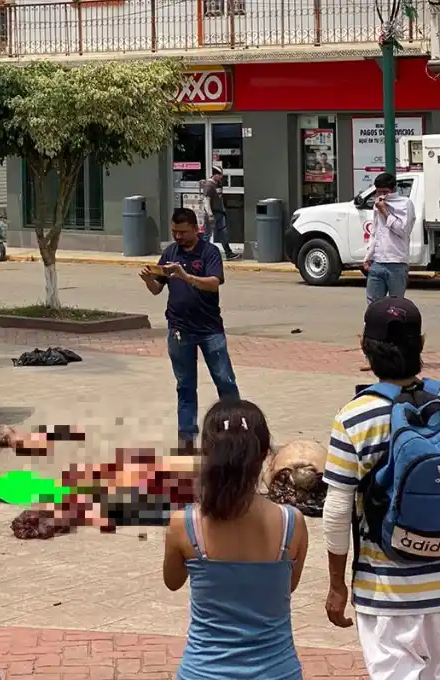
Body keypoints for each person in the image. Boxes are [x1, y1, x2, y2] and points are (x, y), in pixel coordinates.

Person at [323, 297, 440, 679]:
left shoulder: (353, 417)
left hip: (387, 590)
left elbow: (336, 512)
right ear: (422, 345)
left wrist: (336, 586)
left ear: (364, 346)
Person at [164, 399, 308, 680]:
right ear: (266, 453)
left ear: (206, 452)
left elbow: (172, 582)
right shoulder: (292, 523)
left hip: (203, 672)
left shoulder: (185, 524)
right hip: (277, 672)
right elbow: (285, 588)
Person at [140, 207, 240, 450]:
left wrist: (187, 277)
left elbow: (214, 284)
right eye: (174, 232)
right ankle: (186, 438)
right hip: (179, 330)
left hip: (209, 330)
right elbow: (157, 289)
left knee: (224, 381)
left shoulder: (209, 252)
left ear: (196, 229)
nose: (178, 237)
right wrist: (148, 279)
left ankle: (237, 431)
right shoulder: (170, 252)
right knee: (185, 386)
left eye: (183, 232)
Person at [362, 172, 416, 305]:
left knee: (395, 305)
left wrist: (385, 212)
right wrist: (368, 257)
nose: (381, 195)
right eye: (378, 192)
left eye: (385, 192)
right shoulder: (378, 204)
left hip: (396, 263)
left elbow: (403, 231)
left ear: (393, 190)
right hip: (377, 262)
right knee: (373, 304)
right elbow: (375, 233)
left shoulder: (405, 204)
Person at [203, 167, 239, 260]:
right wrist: (210, 214)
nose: (221, 177)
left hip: (220, 213)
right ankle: (201, 254)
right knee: (207, 234)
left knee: (224, 233)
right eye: (219, 175)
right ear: (214, 175)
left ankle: (229, 253)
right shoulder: (209, 186)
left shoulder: (218, 184)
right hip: (212, 214)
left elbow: (220, 198)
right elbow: (206, 201)